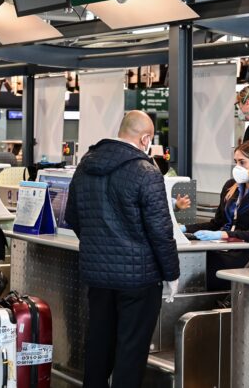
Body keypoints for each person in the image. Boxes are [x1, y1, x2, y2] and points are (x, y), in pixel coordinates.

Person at [64, 110, 180, 388]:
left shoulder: (85, 165)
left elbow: (73, 216)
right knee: (131, 350)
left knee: (99, 342)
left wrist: (98, 244)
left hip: (98, 277)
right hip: (138, 280)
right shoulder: (146, 171)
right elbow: (160, 230)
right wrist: (171, 275)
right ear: (145, 138)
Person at [181, 140, 249, 290]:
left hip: (244, 254)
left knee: (206, 267)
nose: (238, 167)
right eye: (236, 162)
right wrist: (186, 229)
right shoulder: (231, 187)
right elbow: (216, 223)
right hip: (220, 248)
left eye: (242, 162)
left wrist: (222, 235)